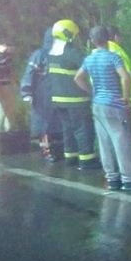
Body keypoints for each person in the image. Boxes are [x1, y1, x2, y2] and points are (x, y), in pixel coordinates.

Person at [75, 26, 131, 191]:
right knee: (122, 142)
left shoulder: (89, 59)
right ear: (107, 39)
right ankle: (128, 180)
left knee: (104, 143)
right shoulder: (113, 57)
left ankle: (112, 179)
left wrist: (90, 91)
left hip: (97, 105)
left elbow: (78, 78)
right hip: (114, 105)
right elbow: (125, 77)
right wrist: (126, 96)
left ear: (92, 41)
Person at [48, 19, 98, 170]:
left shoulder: (51, 53)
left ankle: (70, 157)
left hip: (58, 100)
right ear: (68, 34)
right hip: (76, 99)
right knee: (83, 129)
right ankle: (86, 160)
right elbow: (89, 66)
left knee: (68, 129)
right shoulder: (71, 52)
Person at [20, 28, 59, 161]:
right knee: (44, 124)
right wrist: (27, 92)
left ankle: (57, 149)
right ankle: (46, 150)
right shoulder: (40, 54)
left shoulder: (61, 53)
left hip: (58, 93)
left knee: (57, 122)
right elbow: (30, 73)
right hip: (43, 94)